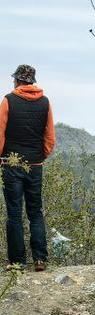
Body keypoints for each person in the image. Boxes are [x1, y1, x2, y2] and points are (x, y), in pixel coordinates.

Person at [1, 65, 56, 271]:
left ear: (17, 80)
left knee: (14, 214)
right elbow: (50, 136)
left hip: (11, 164)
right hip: (35, 165)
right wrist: (41, 155)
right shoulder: (45, 102)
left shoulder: (8, 100)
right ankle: (40, 259)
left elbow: (0, 133)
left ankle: (18, 262)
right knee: (35, 212)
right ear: (31, 81)